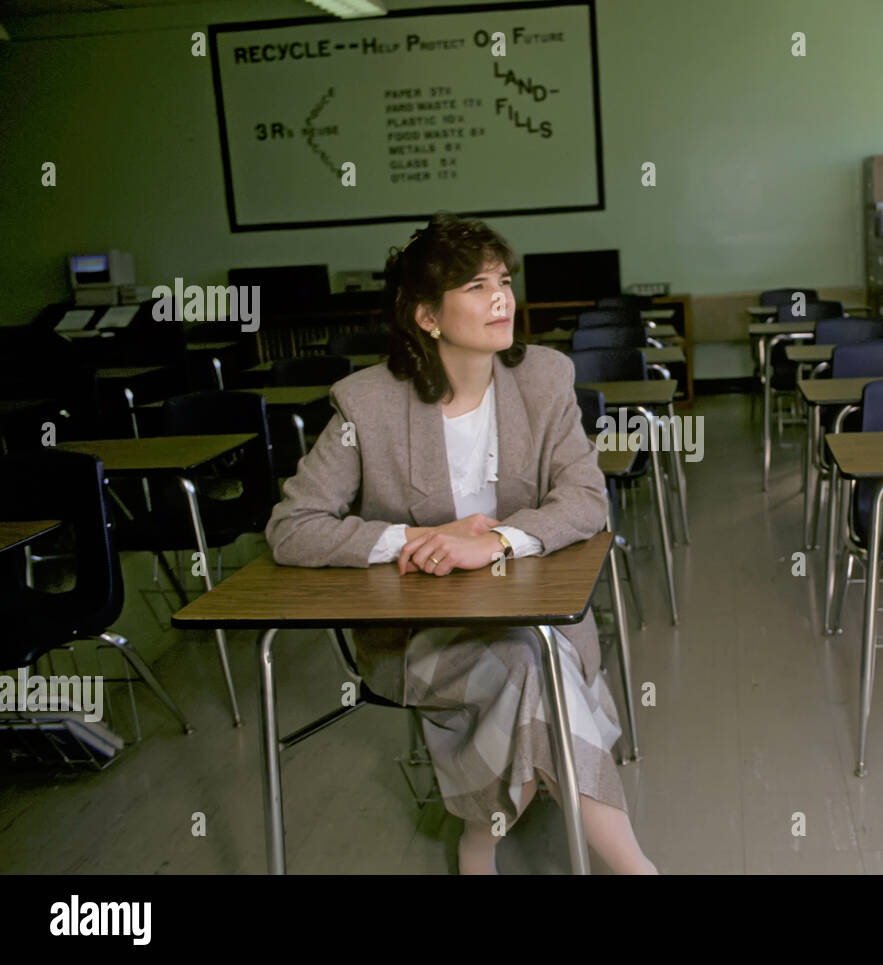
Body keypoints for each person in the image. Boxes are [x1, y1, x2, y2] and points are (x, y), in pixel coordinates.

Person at [264, 213, 657, 875]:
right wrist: (416, 537)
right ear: (427, 317)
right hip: (420, 633)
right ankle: (635, 869)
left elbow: (587, 499)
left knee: (533, 660)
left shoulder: (545, 380)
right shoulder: (367, 404)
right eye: (476, 287)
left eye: (503, 280)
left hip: (533, 616)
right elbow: (292, 528)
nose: (500, 297)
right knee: (538, 668)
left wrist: (498, 540)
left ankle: (480, 839)